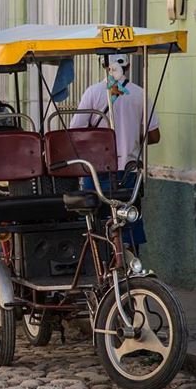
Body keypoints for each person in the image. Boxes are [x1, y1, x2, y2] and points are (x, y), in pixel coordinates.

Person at [69, 53, 160, 248]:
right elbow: (154, 136)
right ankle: (131, 266)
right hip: (128, 172)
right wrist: (132, 138)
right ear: (127, 67)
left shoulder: (93, 93)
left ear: (104, 66)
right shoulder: (140, 94)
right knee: (128, 223)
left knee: (96, 225)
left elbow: (75, 131)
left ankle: (101, 267)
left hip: (97, 171)